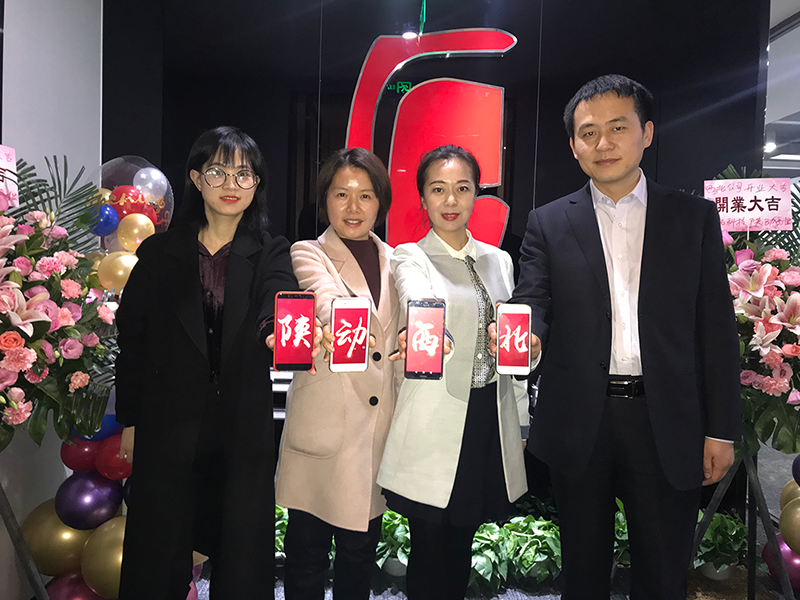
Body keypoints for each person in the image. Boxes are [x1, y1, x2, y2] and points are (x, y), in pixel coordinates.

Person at [498, 74, 740, 600]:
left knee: (663, 573)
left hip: (666, 419)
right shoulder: (548, 222)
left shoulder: (692, 218)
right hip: (581, 419)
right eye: (588, 132)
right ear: (573, 145)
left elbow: (716, 329)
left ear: (646, 133)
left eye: (617, 127)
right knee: (583, 572)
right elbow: (532, 297)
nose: (602, 143)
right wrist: (527, 335)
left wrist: (722, 429)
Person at [115, 126, 321, 600]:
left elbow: (277, 297)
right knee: (157, 555)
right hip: (167, 425)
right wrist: (130, 419)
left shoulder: (271, 250)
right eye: (218, 172)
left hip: (240, 427)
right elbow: (133, 340)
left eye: (244, 174)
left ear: (256, 184)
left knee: (242, 558)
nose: (232, 184)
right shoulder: (159, 253)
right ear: (196, 178)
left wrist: (274, 330)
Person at [378, 145, 528, 600]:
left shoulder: (499, 260)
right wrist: (425, 329)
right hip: (436, 416)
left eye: (462, 188)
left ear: (476, 194)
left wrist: (521, 419)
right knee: (429, 541)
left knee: (463, 538)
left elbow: (515, 343)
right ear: (422, 197)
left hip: (487, 416)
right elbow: (416, 298)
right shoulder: (410, 257)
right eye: (438, 189)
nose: (450, 200)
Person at [276, 148, 400, 600]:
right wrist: (345, 323)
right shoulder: (308, 252)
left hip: (374, 433)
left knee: (359, 557)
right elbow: (327, 299)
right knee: (306, 557)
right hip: (324, 431)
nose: (353, 207)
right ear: (324, 199)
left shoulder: (398, 261)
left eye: (365, 195)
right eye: (341, 194)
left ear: (380, 202)